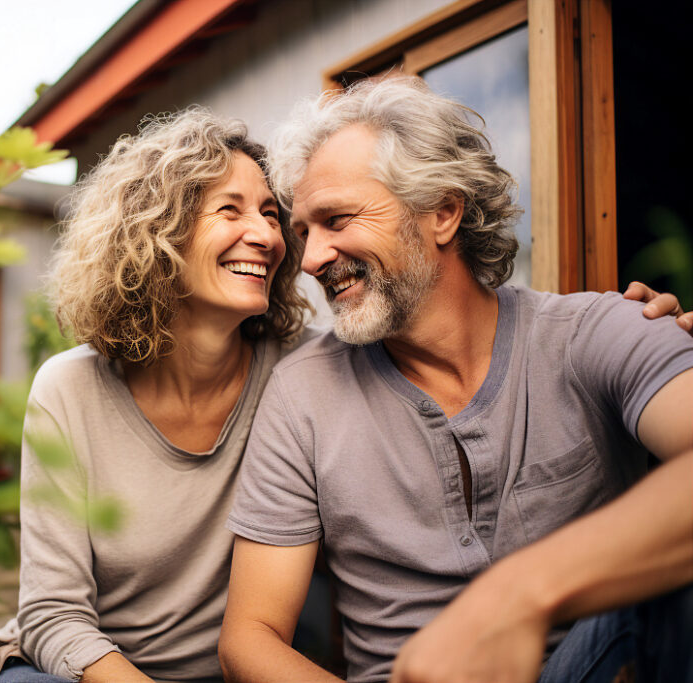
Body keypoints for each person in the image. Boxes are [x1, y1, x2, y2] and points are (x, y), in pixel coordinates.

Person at [219, 75, 693, 683]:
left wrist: (519, 596)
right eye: (304, 232)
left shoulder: (600, 330)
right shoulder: (302, 394)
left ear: (442, 212)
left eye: (337, 219)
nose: (309, 259)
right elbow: (248, 640)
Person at [0, 108, 310, 683]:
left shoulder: (303, 371)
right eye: (229, 209)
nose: (265, 236)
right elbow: (52, 613)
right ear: (155, 233)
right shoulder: (70, 390)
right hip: (82, 671)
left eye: (269, 213)